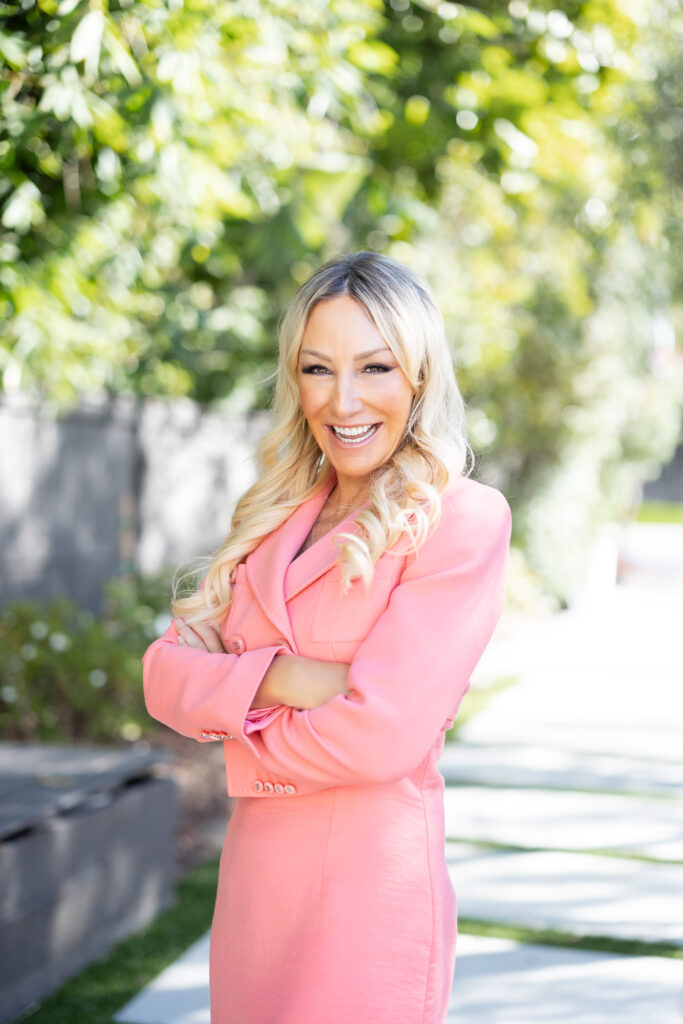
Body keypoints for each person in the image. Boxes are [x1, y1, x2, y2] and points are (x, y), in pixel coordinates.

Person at [142, 250, 511, 1024]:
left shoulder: (459, 521)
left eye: (374, 367)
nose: (342, 399)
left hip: (366, 902)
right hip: (254, 897)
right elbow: (162, 677)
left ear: (417, 375)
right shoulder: (277, 517)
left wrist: (235, 719)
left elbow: (381, 736)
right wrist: (283, 678)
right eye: (317, 369)